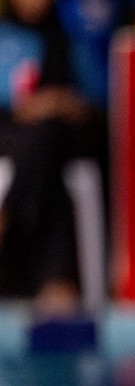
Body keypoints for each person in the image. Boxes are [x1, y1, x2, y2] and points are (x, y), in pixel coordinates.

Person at [0, 0, 93, 315]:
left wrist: (51, 104)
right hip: (10, 139)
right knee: (39, 152)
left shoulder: (63, 38)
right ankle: (57, 280)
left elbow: (83, 103)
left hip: (48, 146)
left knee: (45, 141)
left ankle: (6, 215)